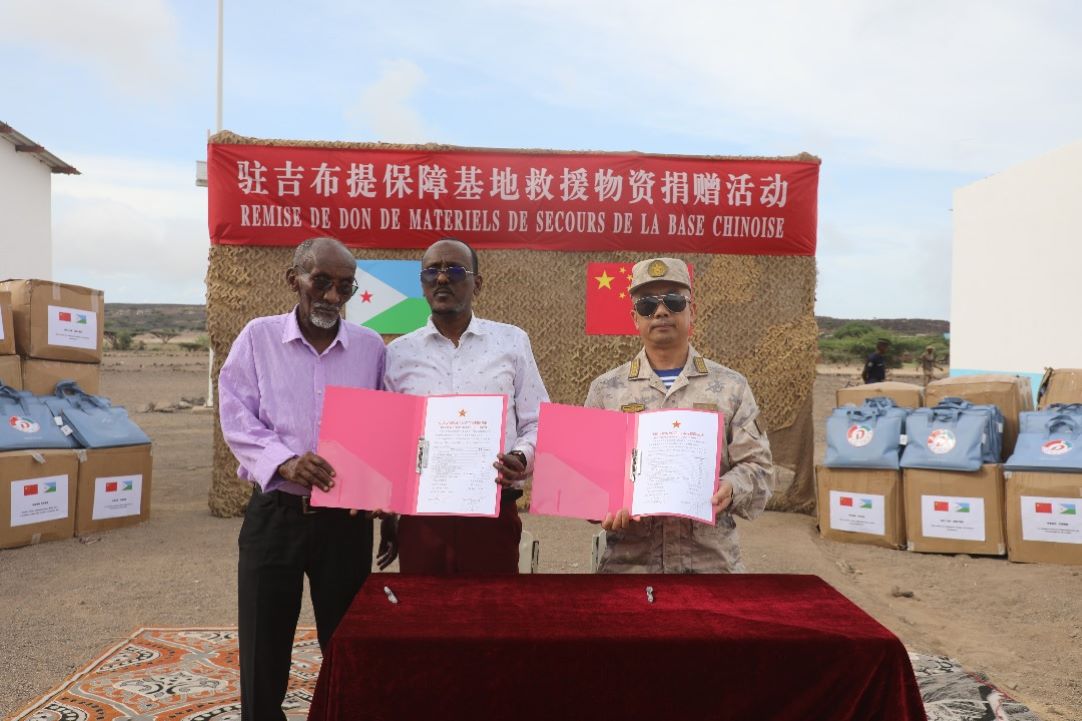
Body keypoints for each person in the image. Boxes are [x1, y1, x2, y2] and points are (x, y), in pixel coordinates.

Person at [218, 237, 396, 721]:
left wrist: (388, 495)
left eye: (345, 286)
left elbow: (385, 425)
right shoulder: (258, 338)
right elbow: (236, 415)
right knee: (263, 643)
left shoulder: (369, 348)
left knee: (346, 642)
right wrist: (285, 462)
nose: (333, 297)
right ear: (293, 279)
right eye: (321, 281)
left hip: (345, 520)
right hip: (275, 516)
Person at [584, 257, 773, 573]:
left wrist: (730, 487)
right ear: (635, 318)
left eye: (673, 300)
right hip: (629, 566)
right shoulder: (606, 390)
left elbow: (761, 469)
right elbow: (587, 475)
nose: (660, 311)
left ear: (691, 311)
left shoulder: (731, 387)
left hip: (710, 565)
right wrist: (603, 503)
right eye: (646, 305)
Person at [384, 237, 549, 574]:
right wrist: (387, 507)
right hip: (422, 520)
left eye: (455, 270)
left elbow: (539, 421)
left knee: (493, 620)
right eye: (432, 272)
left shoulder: (512, 342)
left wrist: (521, 458)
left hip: (493, 515)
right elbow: (387, 437)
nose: (442, 279)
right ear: (422, 285)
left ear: (477, 284)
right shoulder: (398, 354)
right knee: (426, 620)